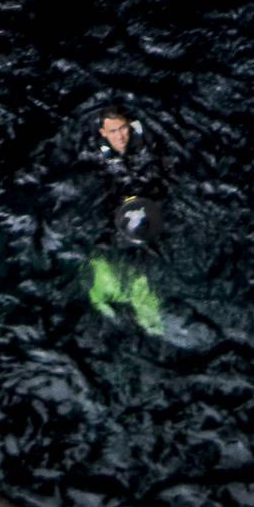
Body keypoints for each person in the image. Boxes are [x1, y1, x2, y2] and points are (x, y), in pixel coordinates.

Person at [85, 105, 164, 337]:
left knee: (144, 254)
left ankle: (150, 318)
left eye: (123, 129)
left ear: (130, 125)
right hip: (115, 208)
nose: (120, 136)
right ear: (103, 133)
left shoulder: (146, 144)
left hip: (145, 206)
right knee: (107, 244)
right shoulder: (96, 157)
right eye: (113, 131)